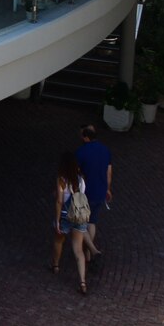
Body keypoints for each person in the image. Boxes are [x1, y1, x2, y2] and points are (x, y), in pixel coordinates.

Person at [52, 151, 96, 294]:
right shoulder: (81, 180)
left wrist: (57, 220)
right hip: (79, 216)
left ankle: (56, 265)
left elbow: (59, 201)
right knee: (78, 250)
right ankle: (82, 282)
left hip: (65, 216)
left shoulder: (61, 180)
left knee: (59, 241)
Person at [75, 125, 113, 253]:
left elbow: (76, 171)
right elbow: (109, 172)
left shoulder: (81, 152)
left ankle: (92, 249)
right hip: (100, 191)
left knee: (80, 223)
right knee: (92, 222)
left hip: (86, 192)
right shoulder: (105, 150)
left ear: (86, 138)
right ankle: (88, 253)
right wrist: (107, 189)